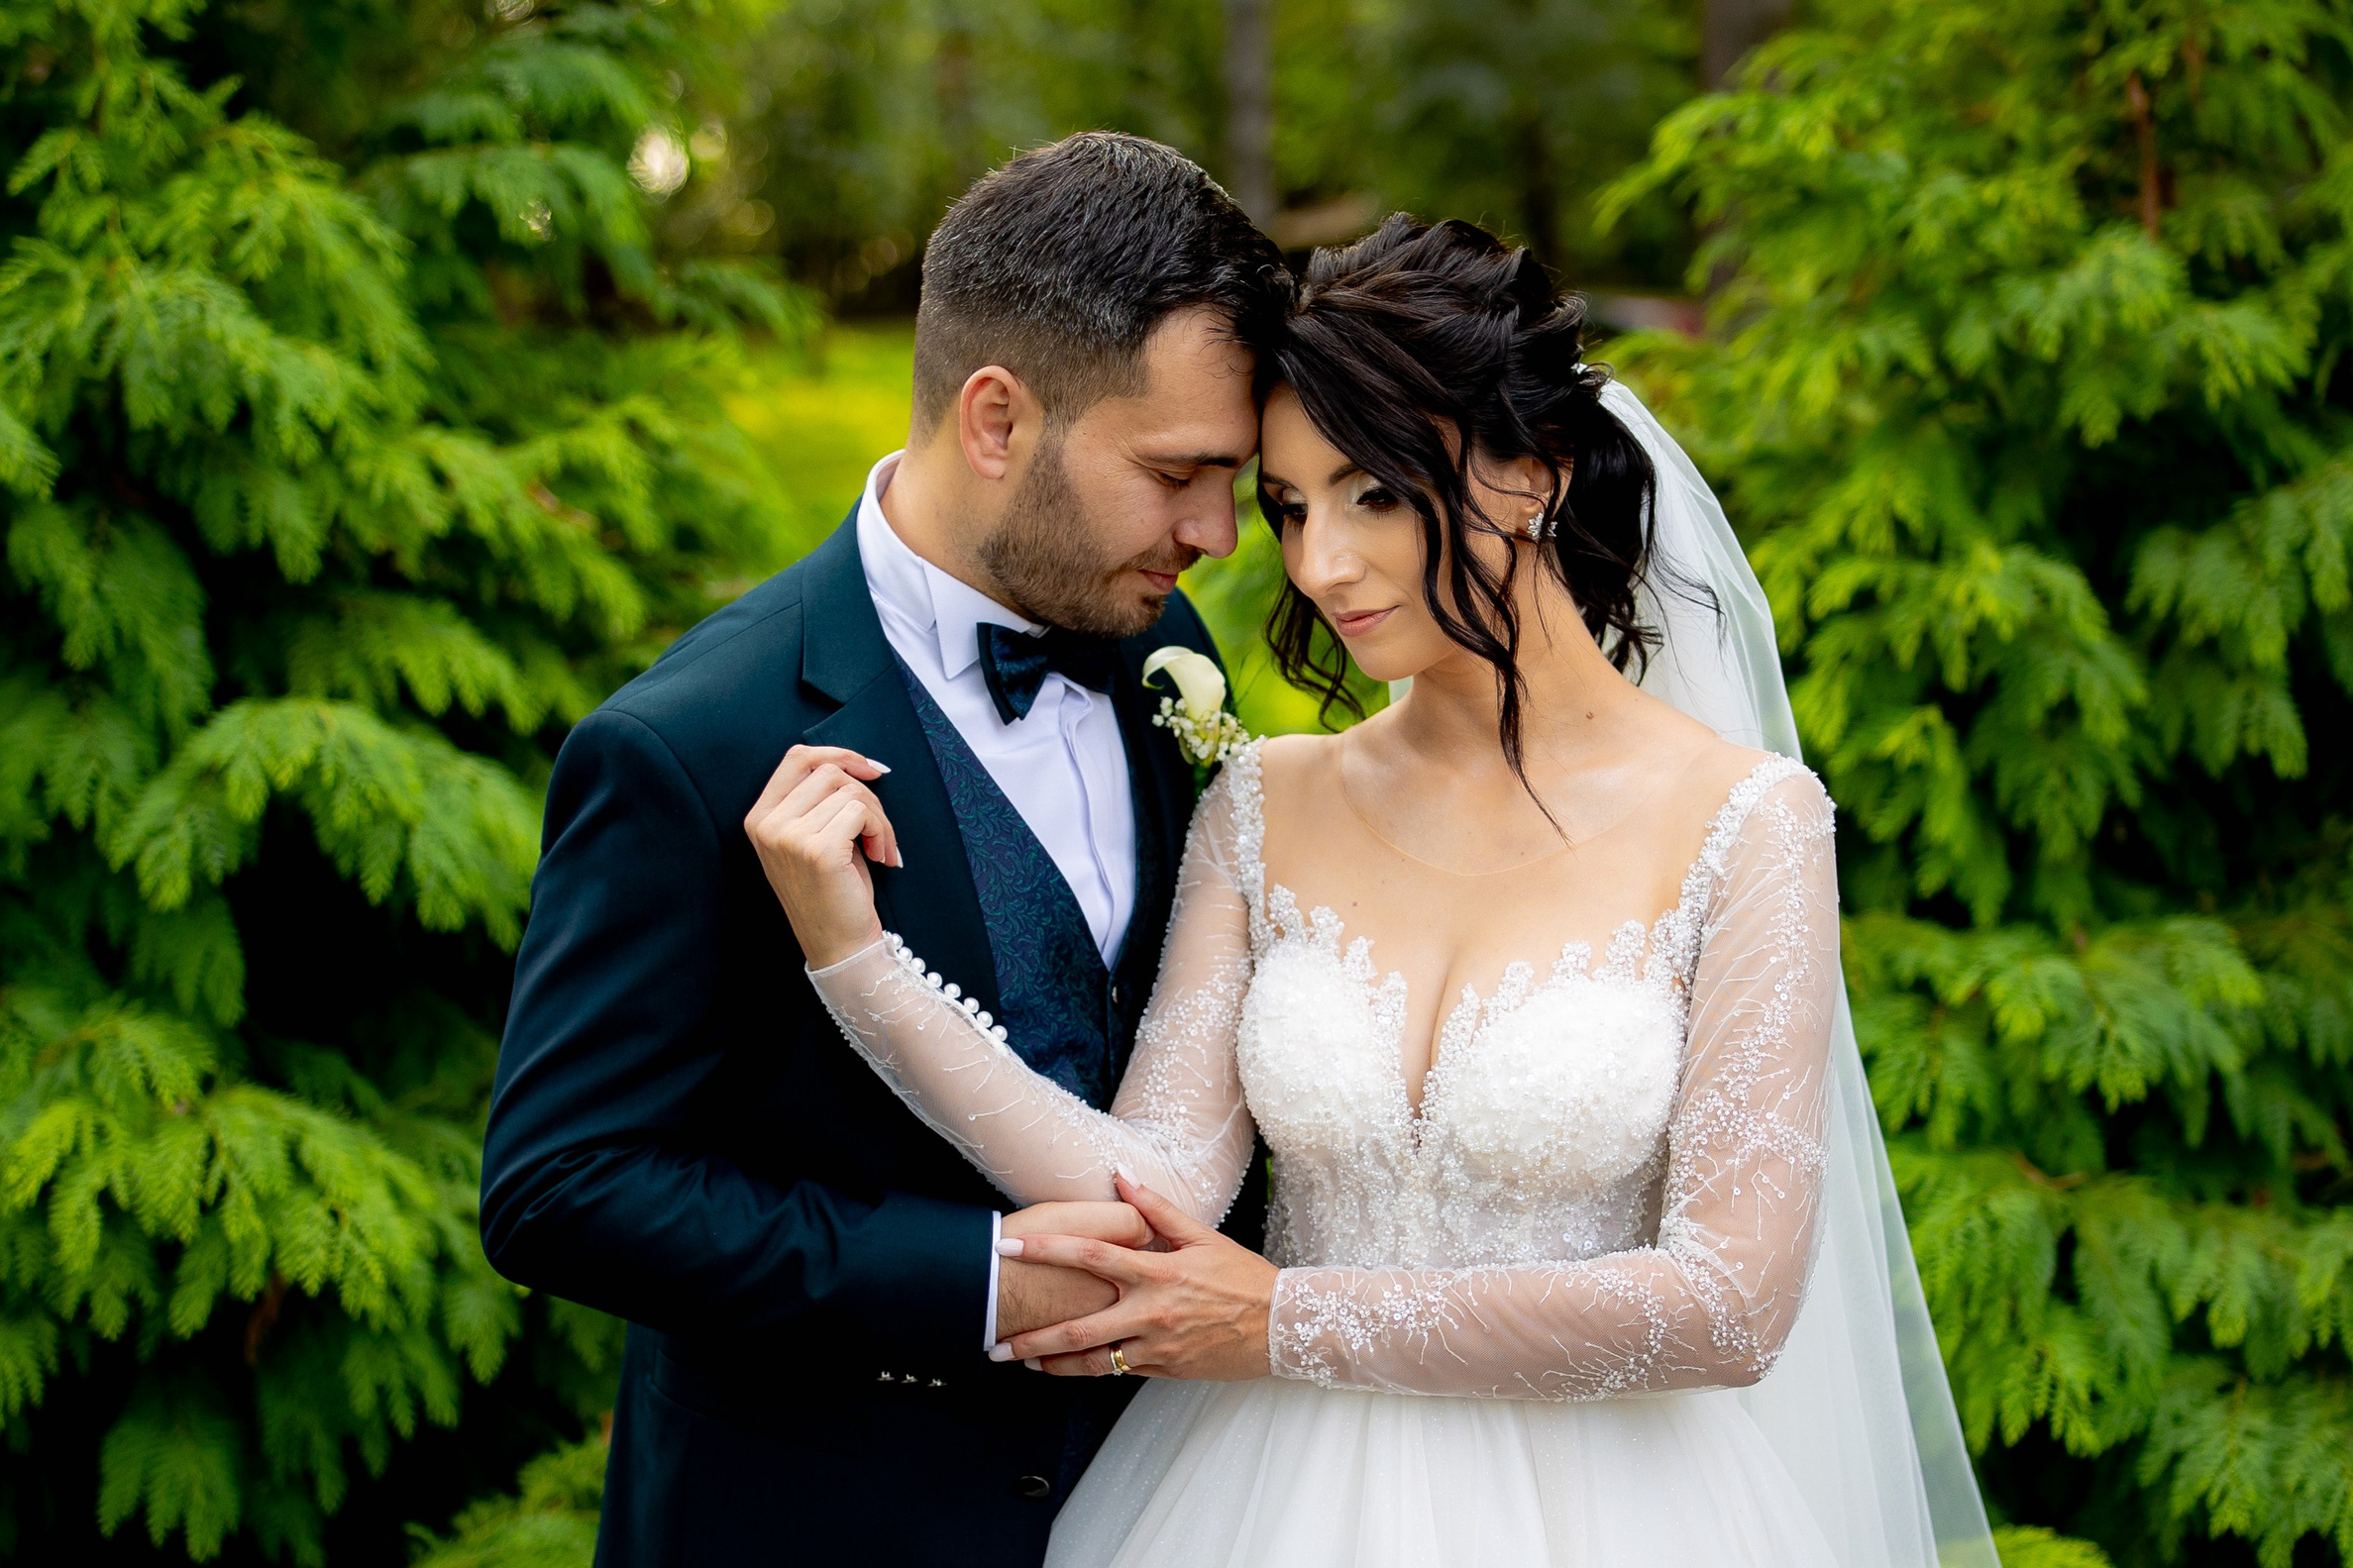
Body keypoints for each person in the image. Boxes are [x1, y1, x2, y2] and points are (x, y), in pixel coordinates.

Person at [746, 216, 1998, 1568]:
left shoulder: (1746, 822)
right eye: (1290, 507)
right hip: (1260, 1504)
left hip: (1615, 1515)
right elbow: (1155, 1184)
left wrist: (1285, 1322)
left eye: (1374, 496)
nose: (1318, 564)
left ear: (1535, 474)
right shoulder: (1268, 800)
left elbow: (1730, 1304)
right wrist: (858, 967)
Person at [478, 132, 1289, 1567]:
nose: (1217, 532)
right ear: (997, 421)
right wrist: (976, 1281)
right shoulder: (688, 743)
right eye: (1178, 472)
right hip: (813, 1522)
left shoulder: (1160, 641)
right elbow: (564, 1185)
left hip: (1159, 1500)